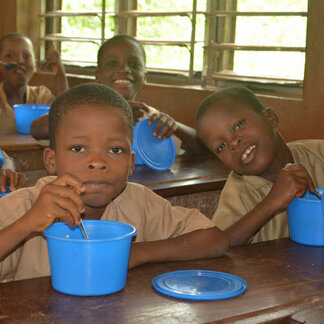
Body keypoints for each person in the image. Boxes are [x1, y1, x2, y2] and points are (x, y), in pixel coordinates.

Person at [0, 83, 229, 282]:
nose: (98, 162)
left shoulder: (139, 201)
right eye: (79, 148)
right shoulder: (25, 206)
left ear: (131, 164)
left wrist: (135, 254)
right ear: (51, 160)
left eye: (115, 149)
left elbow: (214, 239)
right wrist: (27, 224)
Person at [31, 34, 208, 155]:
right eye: (112, 63)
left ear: (144, 77)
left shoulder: (148, 116)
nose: (124, 70)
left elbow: (203, 146)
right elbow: (37, 128)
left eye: (134, 64)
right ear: (98, 76)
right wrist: (111, 110)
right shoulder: (84, 112)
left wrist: (173, 125)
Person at [196, 86, 324, 247]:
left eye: (238, 125)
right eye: (221, 146)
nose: (233, 142)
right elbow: (216, 244)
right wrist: (272, 202)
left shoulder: (318, 155)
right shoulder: (239, 192)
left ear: (270, 118)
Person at [0, 32, 68, 134]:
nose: (19, 61)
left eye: (26, 56)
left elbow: (66, 119)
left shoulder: (41, 96)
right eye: (10, 56)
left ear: (35, 65)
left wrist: (60, 75)